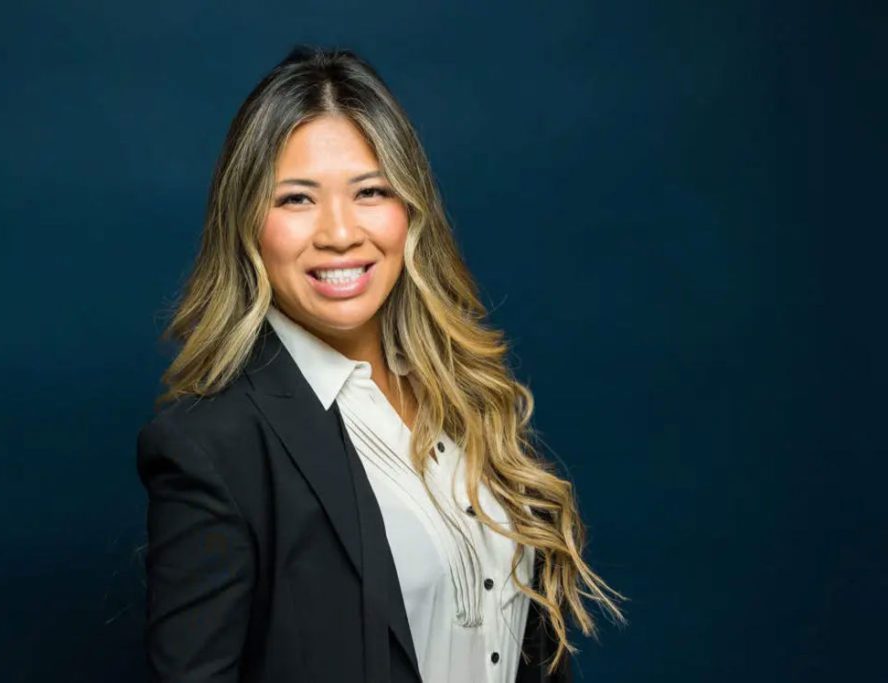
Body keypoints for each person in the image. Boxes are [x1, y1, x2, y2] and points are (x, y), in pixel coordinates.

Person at [135, 44, 626, 683]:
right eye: (296, 200)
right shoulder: (212, 447)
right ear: (247, 223)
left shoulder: (467, 396)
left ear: (409, 210)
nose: (340, 232)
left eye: (370, 190)